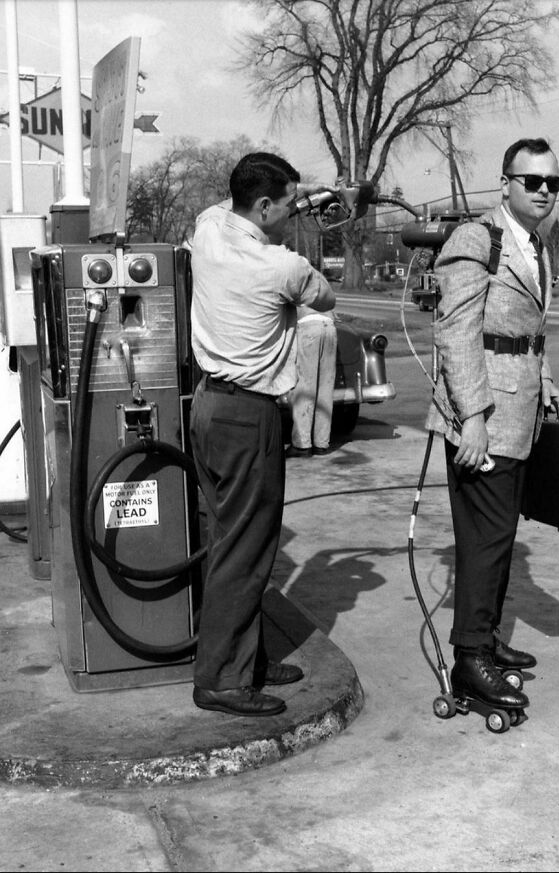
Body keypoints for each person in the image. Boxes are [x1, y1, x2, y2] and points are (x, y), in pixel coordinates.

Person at [189, 152, 336, 717]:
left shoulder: (207, 228)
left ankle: (243, 659)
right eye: (290, 203)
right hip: (249, 417)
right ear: (266, 205)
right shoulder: (283, 267)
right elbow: (324, 296)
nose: (297, 210)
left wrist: (308, 195)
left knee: (228, 540)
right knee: (246, 552)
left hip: (207, 406)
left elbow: (230, 208)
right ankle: (222, 680)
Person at [426, 137, 559, 711]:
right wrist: (473, 419)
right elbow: (456, 332)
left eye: (552, 184)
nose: (543, 192)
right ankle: (469, 661)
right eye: (532, 181)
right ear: (505, 181)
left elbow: (526, 329)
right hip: (484, 415)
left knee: (502, 537)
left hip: (520, 412)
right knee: (483, 543)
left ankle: (486, 640)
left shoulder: (533, 244)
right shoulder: (475, 238)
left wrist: (548, 380)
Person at [286, 304, 338, 457]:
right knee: (326, 386)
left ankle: (302, 444)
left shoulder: (299, 280)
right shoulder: (321, 281)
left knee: (305, 386)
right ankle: (321, 443)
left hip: (308, 325)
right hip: (329, 325)